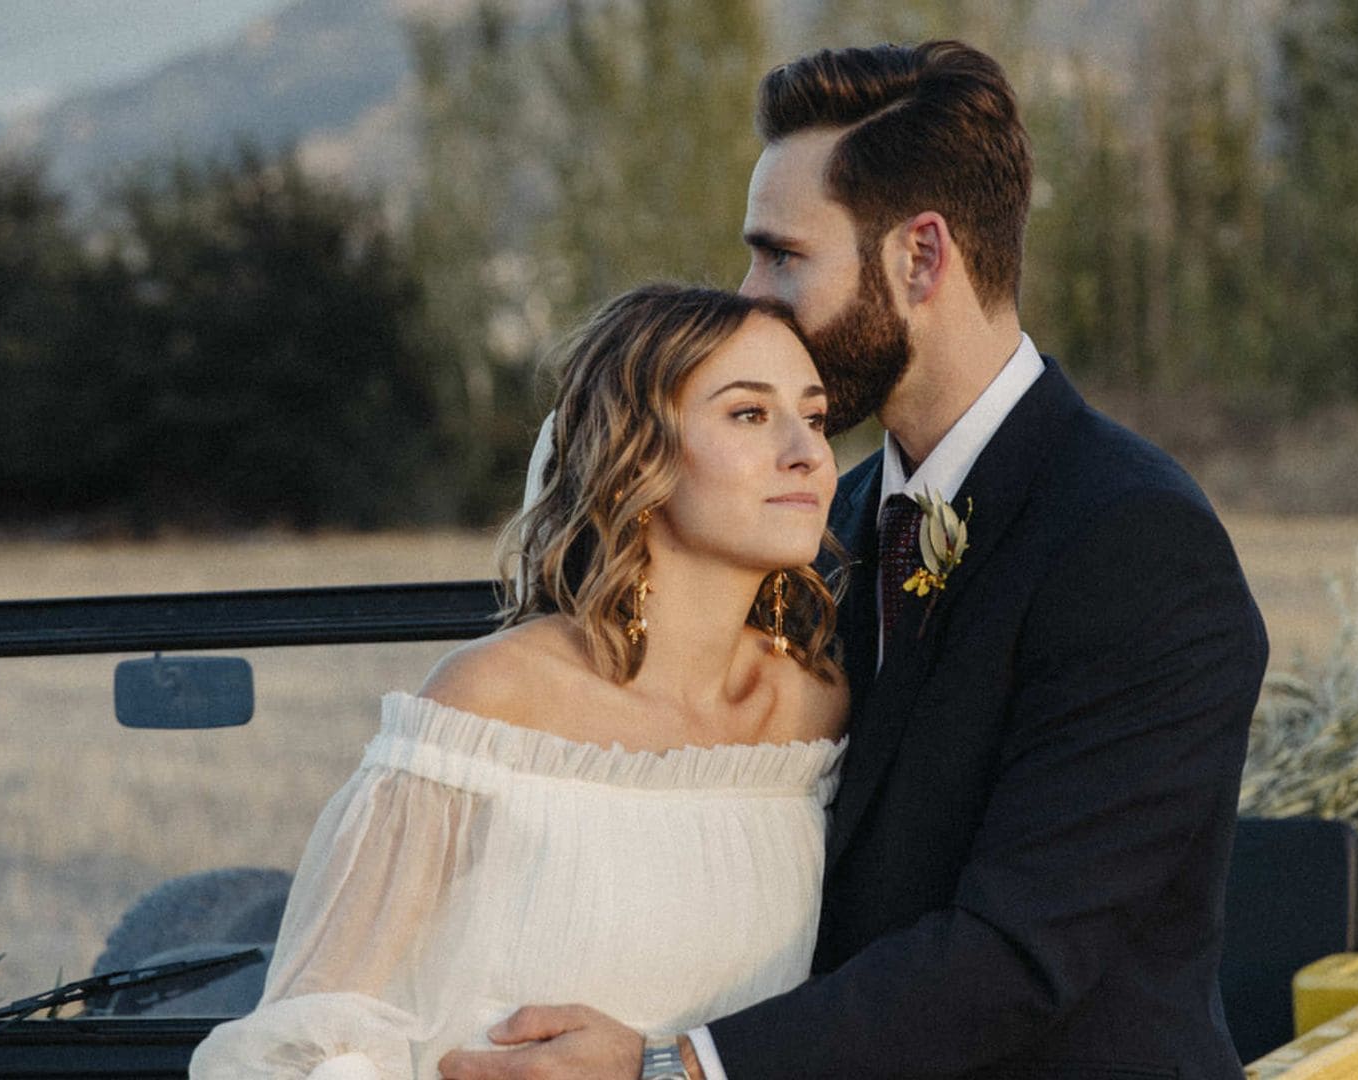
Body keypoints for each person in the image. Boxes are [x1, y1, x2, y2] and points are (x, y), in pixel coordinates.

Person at [438, 40, 1269, 1080]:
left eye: (782, 256)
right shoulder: (824, 518)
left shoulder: (1136, 544)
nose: (751, 298)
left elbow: (1018, 955)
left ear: (920, 258)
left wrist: (675, 1069)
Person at [188, 284, 850, 1079]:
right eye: (749, 414)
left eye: (813, 417)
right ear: (640, 452)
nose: (808, 452)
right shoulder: (488, 703)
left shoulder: (814, 710)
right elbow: (315, 1034)